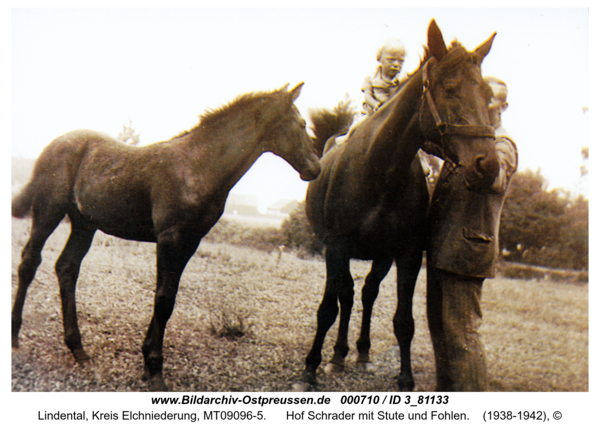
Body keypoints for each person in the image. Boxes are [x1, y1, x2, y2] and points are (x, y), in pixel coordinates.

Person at [425, 76, 518, 391]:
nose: (484, 102)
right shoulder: (470, 141)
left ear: (503, 106)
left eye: (491, 98)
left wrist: (484, 164)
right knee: (440, 330)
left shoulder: (502, 144)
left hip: (467, 251)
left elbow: (496, 178)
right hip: (444, 249)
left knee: (462, 334)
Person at [361, 39, 406, 115]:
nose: (396, 64)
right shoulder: (371, 77)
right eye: (391, 60)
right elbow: (367, 95)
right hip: (372, 111)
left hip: (393, 112)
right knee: (357, 125)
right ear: (379, 59)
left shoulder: (403, 78)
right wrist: (376, 105)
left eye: (400, 61)